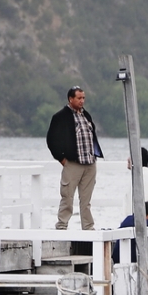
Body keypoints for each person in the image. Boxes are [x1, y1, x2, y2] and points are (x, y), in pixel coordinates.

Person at [46, 86, 104, 230]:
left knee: (86, 200)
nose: (82, 101)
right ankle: (62, 226)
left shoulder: (86, 115)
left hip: (89, 163)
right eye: (79, 98)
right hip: (73, 163)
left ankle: (88, 228)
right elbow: (51, 140)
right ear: (70, 99)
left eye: (83, 98)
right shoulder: (60, 116)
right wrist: (62, 159)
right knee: (67, 197)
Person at [124, 147, 148, 216]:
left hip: (138, 221)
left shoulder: (144, 176)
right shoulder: (141, 175)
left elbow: (147, 201)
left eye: (131, 156)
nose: (128, 159)